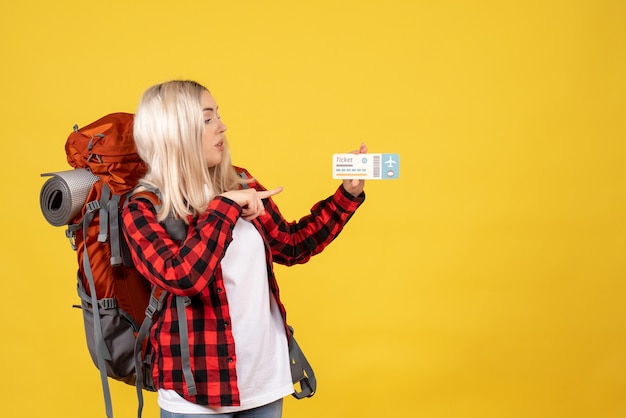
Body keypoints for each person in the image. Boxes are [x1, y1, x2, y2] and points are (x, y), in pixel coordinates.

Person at [122, 80, 366, 418]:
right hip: (197, 395)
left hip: (265, 384)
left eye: (218, 116)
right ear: (175, 132)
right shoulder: (144, 209)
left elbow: (292, 245)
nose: (222, 126)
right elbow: (183, 277)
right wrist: (224, 207)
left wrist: (347, 196)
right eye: (207, 119)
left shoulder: (240, 181)